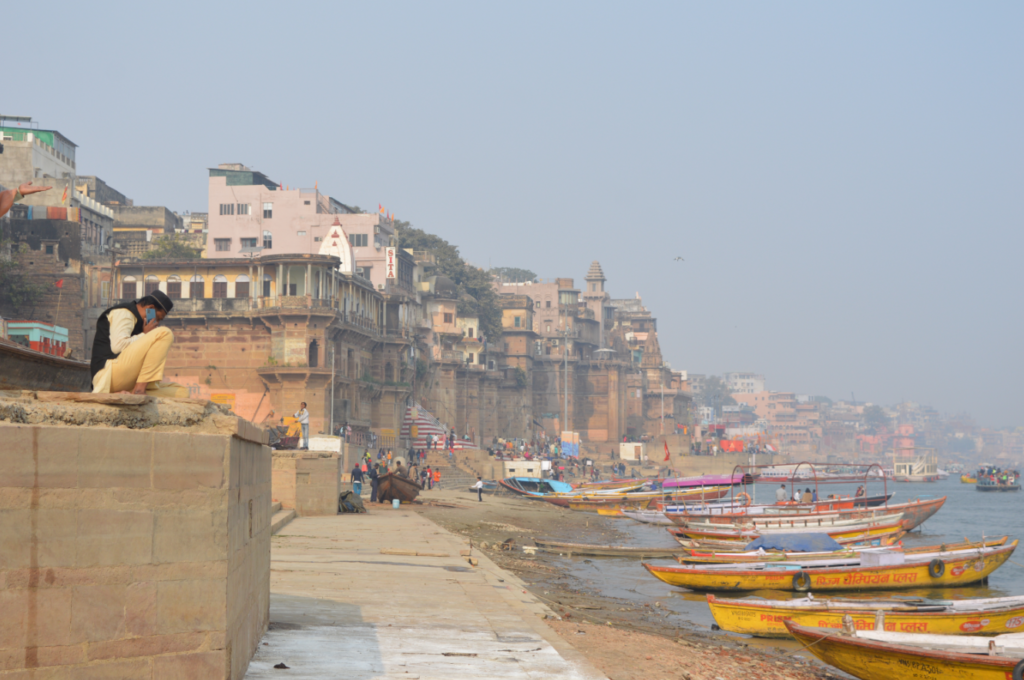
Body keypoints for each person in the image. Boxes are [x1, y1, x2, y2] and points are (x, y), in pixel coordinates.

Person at [90, 291, 188, 397]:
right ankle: (139, 391)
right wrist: (144, 334)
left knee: (182, 392)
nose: (157, 322)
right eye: (158, 318)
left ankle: (127, 392)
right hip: (108, 374)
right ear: (150, 308)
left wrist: (144, 335)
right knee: (165, 333)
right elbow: (118, 347)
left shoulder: (140, 323)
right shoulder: (124, 312)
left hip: (126, 379)